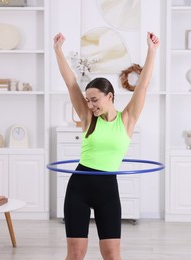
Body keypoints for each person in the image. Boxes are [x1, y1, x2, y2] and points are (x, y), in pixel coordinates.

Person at [53, 32, 159, 260]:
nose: (90, 105)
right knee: (75, 253)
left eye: (95, 100)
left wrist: (152, 51)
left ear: (109, 96)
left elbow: (143, 85)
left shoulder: (127, 119)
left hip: (108, 191)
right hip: (79, 187)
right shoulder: (88, 118)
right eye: (88, 100)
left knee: (111, 254)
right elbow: (71, 82)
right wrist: (58, 50)